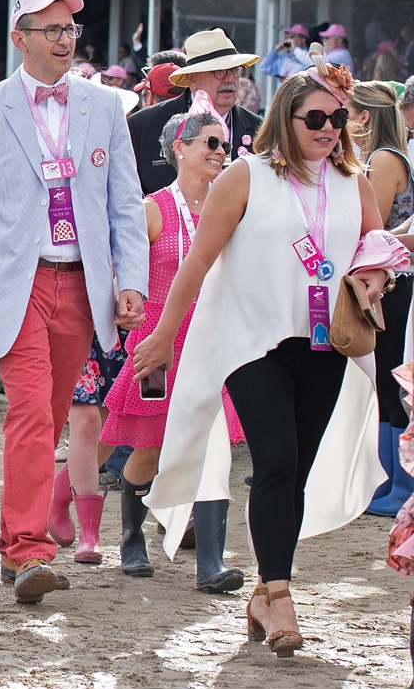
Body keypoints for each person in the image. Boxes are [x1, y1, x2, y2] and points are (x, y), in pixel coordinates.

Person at [134, 59, 403, 658]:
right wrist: (165, 334)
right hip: (250, 342)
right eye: (316, 117)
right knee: (276, 456)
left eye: (338, 118)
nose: (329, 128)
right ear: (287, 117)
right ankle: (281, 596)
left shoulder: (353, 182)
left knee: (293, 470)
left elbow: (374, 248)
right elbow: (198, 262)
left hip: (323, 344)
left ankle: (264, 588)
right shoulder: (245, 176)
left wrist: (376, 276)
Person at [0, 0, 149, 603]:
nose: (65, 38)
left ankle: (12, 543)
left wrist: (132, 283)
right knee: (28, 413)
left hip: (82, 284)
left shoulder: (105, 107)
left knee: (48, 420)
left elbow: (125, 204)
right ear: (20, 38)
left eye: (71, 28)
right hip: (12, 284)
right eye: (50, 29)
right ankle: (28, 548)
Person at [95, 94, 248, 588]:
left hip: (213, 340)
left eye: (224, 144)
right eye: (210, 143)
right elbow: (122, 270)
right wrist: (123, 303)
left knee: (213, 447)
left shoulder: (233, 208)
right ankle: (131, 535)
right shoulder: (153, 208)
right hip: (159, 343)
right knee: (151, 448)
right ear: (179, 148)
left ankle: (210, 563)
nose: (220, 152)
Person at [349, 81, 414, 516]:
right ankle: (392, 483)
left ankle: (401, 487)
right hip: (393, 275)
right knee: (386, 383)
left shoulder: (385, 159)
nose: (343, 124)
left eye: (347, 115)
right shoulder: (388, 156)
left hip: (394, 279)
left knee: (393, 381)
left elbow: (371, 228)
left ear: (366, 117)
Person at [129, 29, 261, 192]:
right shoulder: (144, 125)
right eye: (219, 71)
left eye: (235, 70)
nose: (229, 79)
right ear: (192, 79)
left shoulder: (260, 130)